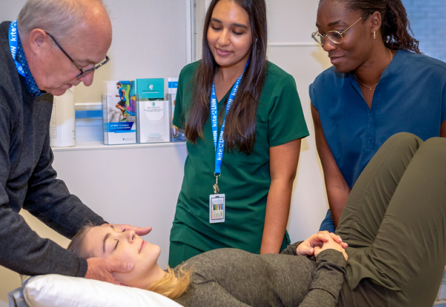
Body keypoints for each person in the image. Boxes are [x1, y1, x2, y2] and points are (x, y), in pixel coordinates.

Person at [0, 0, 151, 305]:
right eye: (82, 66)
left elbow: (37, 181)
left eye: (96, 66)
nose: (87, 80)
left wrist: (103, 230)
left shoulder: (35, 79)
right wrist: (80, 268)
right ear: (39, 40)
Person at [70, 132, 446, 307]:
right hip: (371, 290)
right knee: (439, 154)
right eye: (113, 242)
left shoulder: (182, 276)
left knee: (404, 144)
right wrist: (330, 264)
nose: (127, 232)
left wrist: (299, 249)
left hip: (336, 262)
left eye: (116, 228)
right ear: (108, 277)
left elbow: (267, 280)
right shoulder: (193, 301)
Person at [168, 0, 309, 267]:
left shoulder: (279, 87)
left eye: (237, 31)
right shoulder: (189, 77)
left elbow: (282, 180)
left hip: (250, 237)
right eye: (216, 27)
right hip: (191, 230)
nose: (222, 40)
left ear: (256, 34)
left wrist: (267, 264)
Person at [309, 0, 446, 232]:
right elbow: (338, 185)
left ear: (374, 22)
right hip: (348, 228)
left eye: (337, 32)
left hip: (418, 232)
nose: (327, 45)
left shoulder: (436, 81)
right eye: (322, 34)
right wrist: (352, 250)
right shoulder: (322, 91)